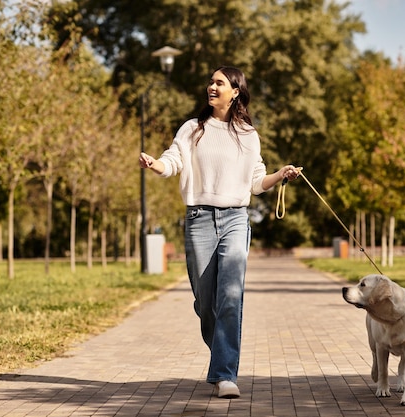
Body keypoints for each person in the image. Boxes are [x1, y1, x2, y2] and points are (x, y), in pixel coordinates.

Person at [138, 66, 300, 399]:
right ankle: (222, 354)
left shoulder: (247, 134)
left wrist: (280, 175)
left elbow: (257, 181)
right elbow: (174, 160)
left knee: (230, 296)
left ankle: (225, 373)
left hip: (236, 219)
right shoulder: (192, 129)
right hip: (198, 218)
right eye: (211, 82)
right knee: (206, 301)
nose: (212, 86)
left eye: (219, 82)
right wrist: (157, 165)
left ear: (235, 91)